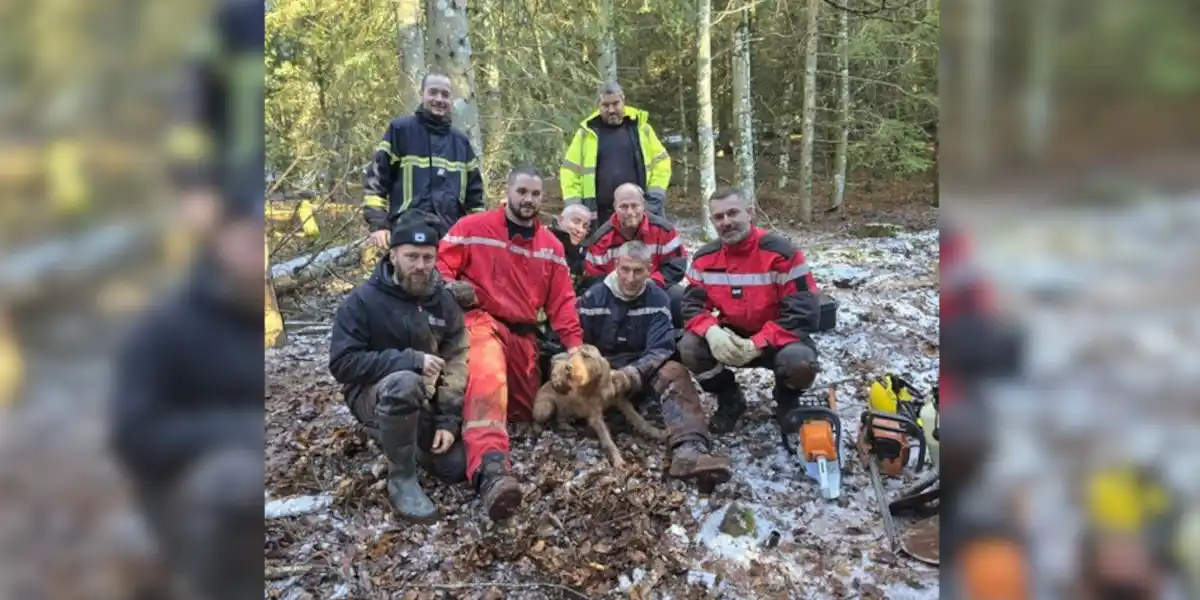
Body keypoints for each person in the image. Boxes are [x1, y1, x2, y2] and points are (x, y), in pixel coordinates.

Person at [109, 203, 263, 600]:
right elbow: (135, 433)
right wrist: (235, 431)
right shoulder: (166, 325)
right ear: (221, 240)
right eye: (253, 241)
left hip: (243, 495)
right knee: (238, 477)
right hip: (183, 487)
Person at [436, 166, 584, 520]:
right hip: (481, 321)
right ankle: (490, 471)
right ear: (507, 191)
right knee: (488, 378)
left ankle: (460, 422)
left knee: (522, 411)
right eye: (522, 192)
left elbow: (562, 301)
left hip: (523, 334)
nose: (528, 200)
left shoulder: (550, 246)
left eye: (535, 194)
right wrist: (447, 288)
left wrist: (575, 347)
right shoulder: (473, 228)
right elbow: (440, 263)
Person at [327, 214, 469, 522]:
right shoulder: (363, 301)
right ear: (393, 255)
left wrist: (448, 421)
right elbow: (342, 364)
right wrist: (411, 360)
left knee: (454, 468)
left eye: (427, 257)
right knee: (404, 382)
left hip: (426, 398)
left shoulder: (443, 302)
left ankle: (404, 436)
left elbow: (457, 361)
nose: (420, 265)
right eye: (411, 257)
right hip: (373, 393)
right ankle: (402, 478)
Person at [578, 241, 732, 488]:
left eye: (638, 271)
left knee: (674, 370)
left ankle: (689, 450)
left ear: (650, 270)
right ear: (616, 266)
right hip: (602, 373)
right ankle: (600, 421)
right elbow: (578, 343)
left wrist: (630, 375)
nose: (630, 278)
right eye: (625, 269)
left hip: (642, 370)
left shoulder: (658, 298)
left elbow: (660, 348)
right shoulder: (594, 297)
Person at [678, 188, 821, 435]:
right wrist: (711, 331)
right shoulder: (704, 258)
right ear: (712, 221)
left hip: (777, 337)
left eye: (733, 213)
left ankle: (787, 399)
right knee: (689, 348)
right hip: (730, 335)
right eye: (719, 217)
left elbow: (803, 313)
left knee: (801, 364)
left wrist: (758, 342)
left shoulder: (782, 253)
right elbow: (691, 306)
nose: (727, 222)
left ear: (750, 212)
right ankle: (730, 399)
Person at [362, 72, 485, 244]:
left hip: (451, 238)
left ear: (451, 99)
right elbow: (377, 180)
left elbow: (475, 199)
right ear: (422, 94)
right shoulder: (400, 130)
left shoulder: (461, 142)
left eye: (445, 94)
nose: (439, 99)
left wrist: (477, 236)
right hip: (406, 233)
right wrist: (379, 224)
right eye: (433, 92)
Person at [560, 81, 671, 227]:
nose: (611, 110)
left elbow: (661, 163)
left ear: (623, 101)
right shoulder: (586, 134)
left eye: (615, 104)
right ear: (598, 106)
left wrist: (654, 198)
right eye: (605, 105)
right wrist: (575, 207)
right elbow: (569, 172)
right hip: (600, 215)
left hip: (638, 212)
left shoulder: (641, 128)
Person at [581, 182, 687, 327]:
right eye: (623, 207)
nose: (630, 212)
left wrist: (651, 283)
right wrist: (619, 288)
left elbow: (676, 267)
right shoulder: (600, 239)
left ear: (643, 205)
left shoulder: (664, 231)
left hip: (655, 289)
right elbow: (593, 279)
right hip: (615, 296)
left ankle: (675, 338)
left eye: (634, 206)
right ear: (614, 207)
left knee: (679, 296)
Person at [547, 202, 593, 289]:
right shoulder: (543, 246)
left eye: (585, 227)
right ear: (560, 220)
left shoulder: (583, 257)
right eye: (576, 221)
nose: (580, 229)